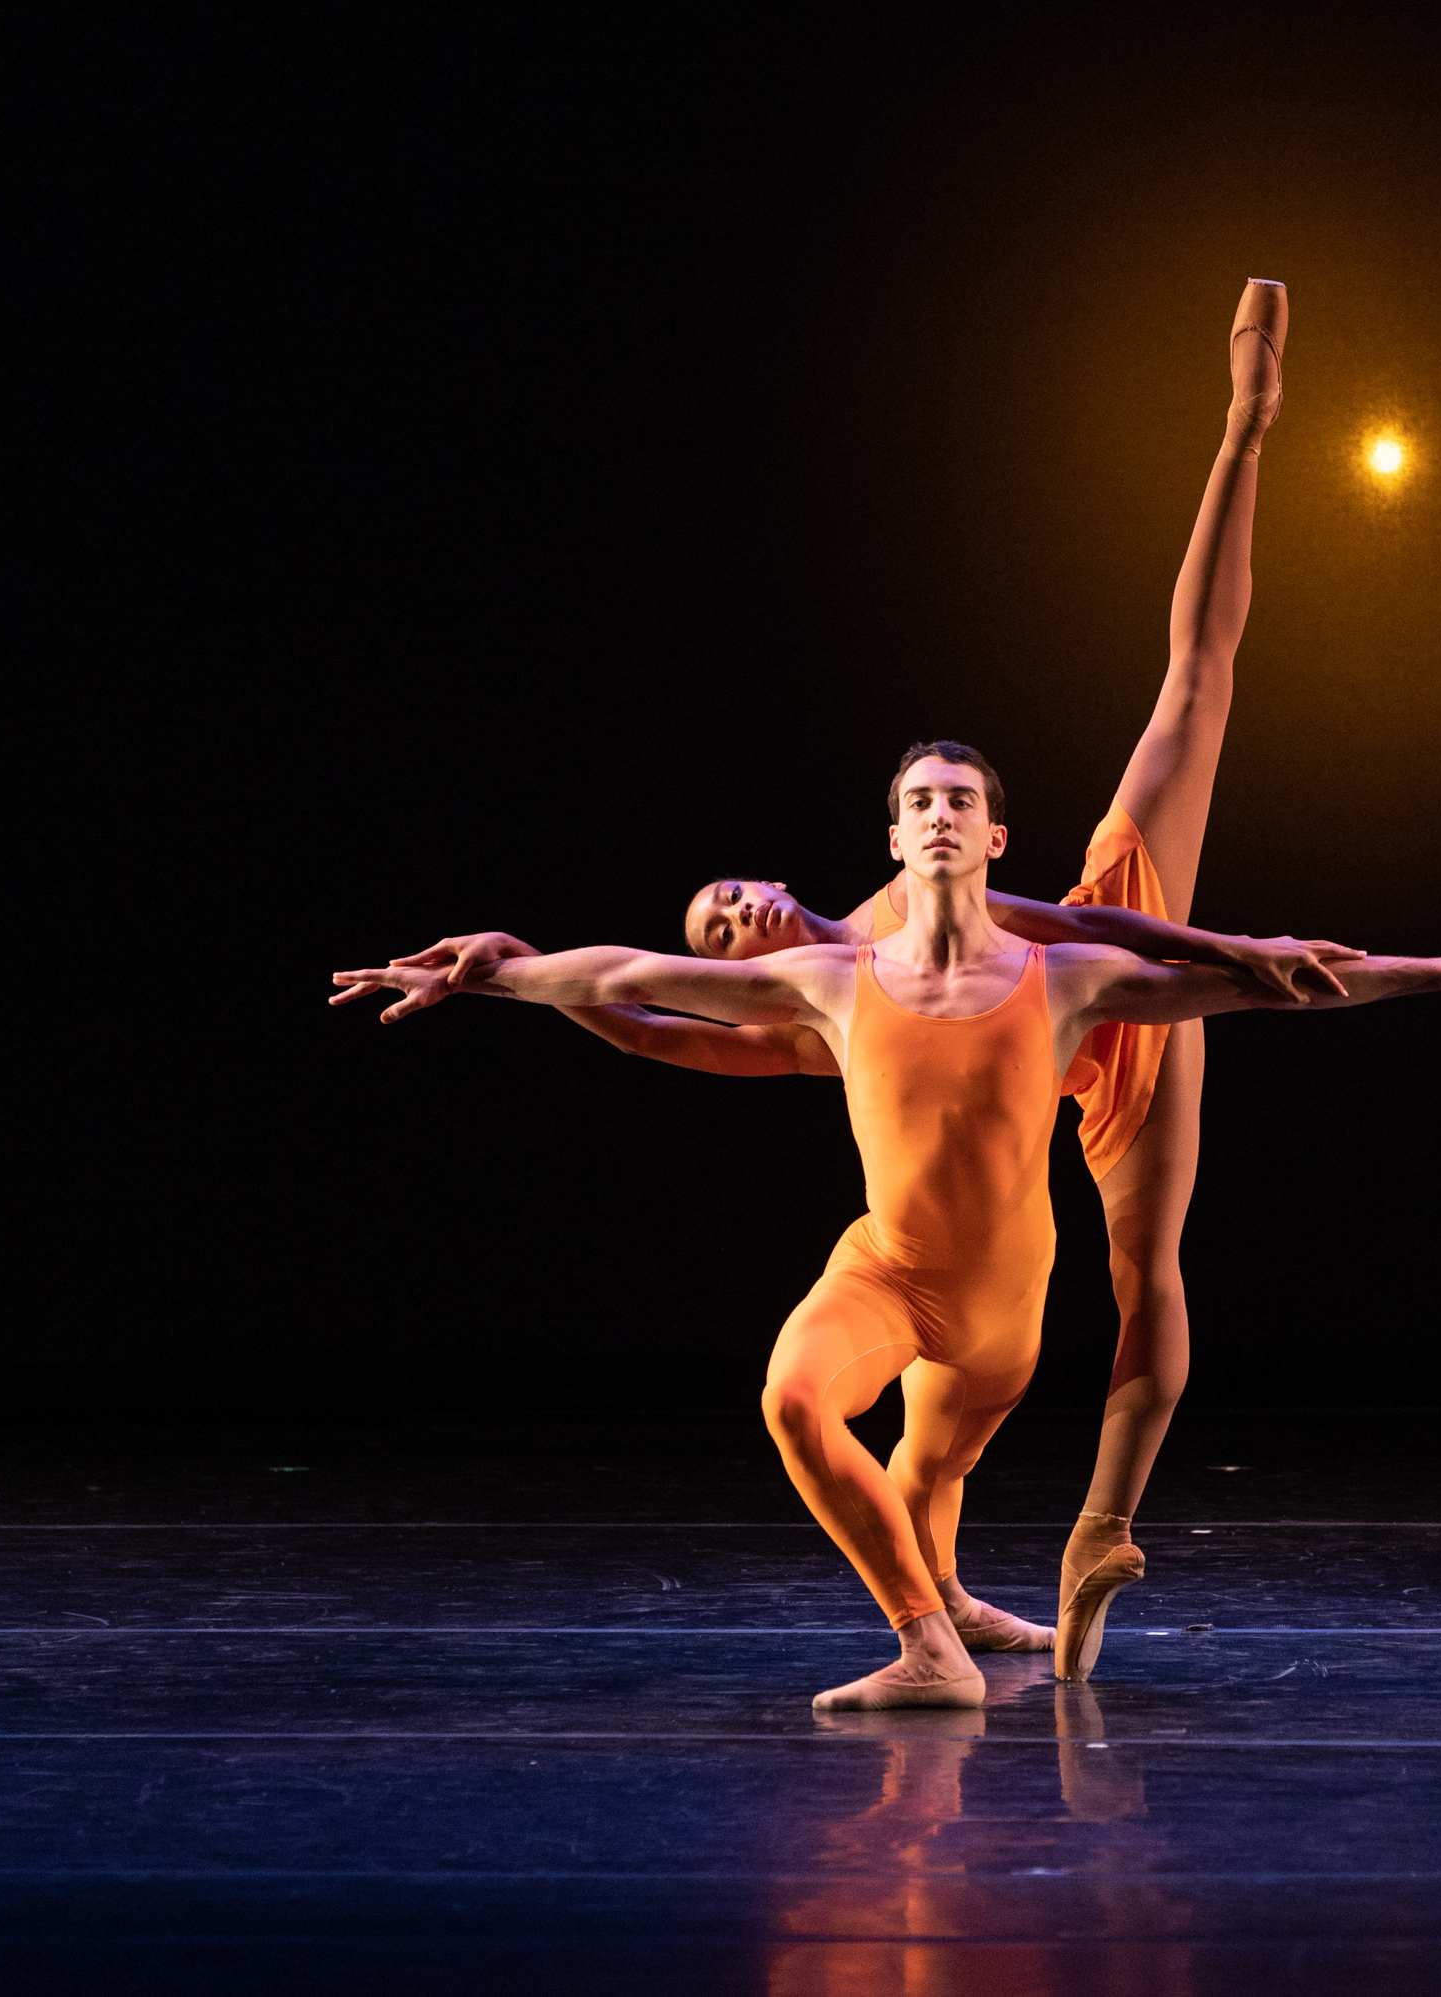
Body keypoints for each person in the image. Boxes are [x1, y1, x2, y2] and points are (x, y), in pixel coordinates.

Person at [382, 280, 1314, 1680]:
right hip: (1072, 1075)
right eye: (719, 925)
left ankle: (1243, 434)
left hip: (1096, 985)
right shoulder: (824, 1012)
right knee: (1055, 1335)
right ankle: (1023, 1570)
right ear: (745, 966)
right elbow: (638, 1011)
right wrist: (524, 978)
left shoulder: (904, 894)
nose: (734, 906)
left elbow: (1059, 897)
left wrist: (1242, 429)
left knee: (1193, 695)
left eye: (729, 886)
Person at [333, 745, 1441, 1709]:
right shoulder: (822, 986)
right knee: (793, 1399)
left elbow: (1270, 985)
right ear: (888, 837)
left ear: (990, 833)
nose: (936, 812)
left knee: (928, 1474)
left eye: (956, 798)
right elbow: (627, 982)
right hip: (881, 1271)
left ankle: (953, 1603)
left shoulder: (1065, 978)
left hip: (1000, 1315)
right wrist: (502, 963)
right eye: (916, 799)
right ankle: (930, 1648)